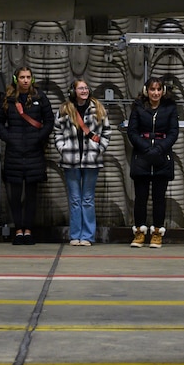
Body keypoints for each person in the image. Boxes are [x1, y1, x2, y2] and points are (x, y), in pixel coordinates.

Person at [0, 66, 55, 245]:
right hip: (14, 152)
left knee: (31, 194)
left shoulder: (39, 97)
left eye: (28, 77)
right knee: (15, 194)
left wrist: (39, 137)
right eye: (22, 77)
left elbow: (49, 121)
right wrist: (9, 138)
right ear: (16, 79)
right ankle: (18, 229)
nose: (25, 80)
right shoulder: (8, 99)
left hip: (34, 152)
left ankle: (28, 229)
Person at [54, 78, 111, 246]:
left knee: (87, 199)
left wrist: (99, 148)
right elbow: (57, 131)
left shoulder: (98, 109)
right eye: (81, 88)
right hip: (70, 160)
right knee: (74, 199)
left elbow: (107, 131)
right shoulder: (65, 109)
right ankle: (75, 235)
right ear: (73, 91)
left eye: (86, 88)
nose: (84, 91)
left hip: (91, 160)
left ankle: (87, 236)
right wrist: (62, 148)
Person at [126, 77, 179, 248]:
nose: (155, 93)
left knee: (159, 198)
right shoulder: (138, 107)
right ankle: (139, 233)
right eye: (152, 89)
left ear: (162, 91)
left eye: (158, 89)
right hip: (142, 157)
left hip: (162, 157)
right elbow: (132, 132)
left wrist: (159, 149)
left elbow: (173, 132)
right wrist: (146, 148)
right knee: (140, 198)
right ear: (146, 91)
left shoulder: (170, 107)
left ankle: (157, 233)